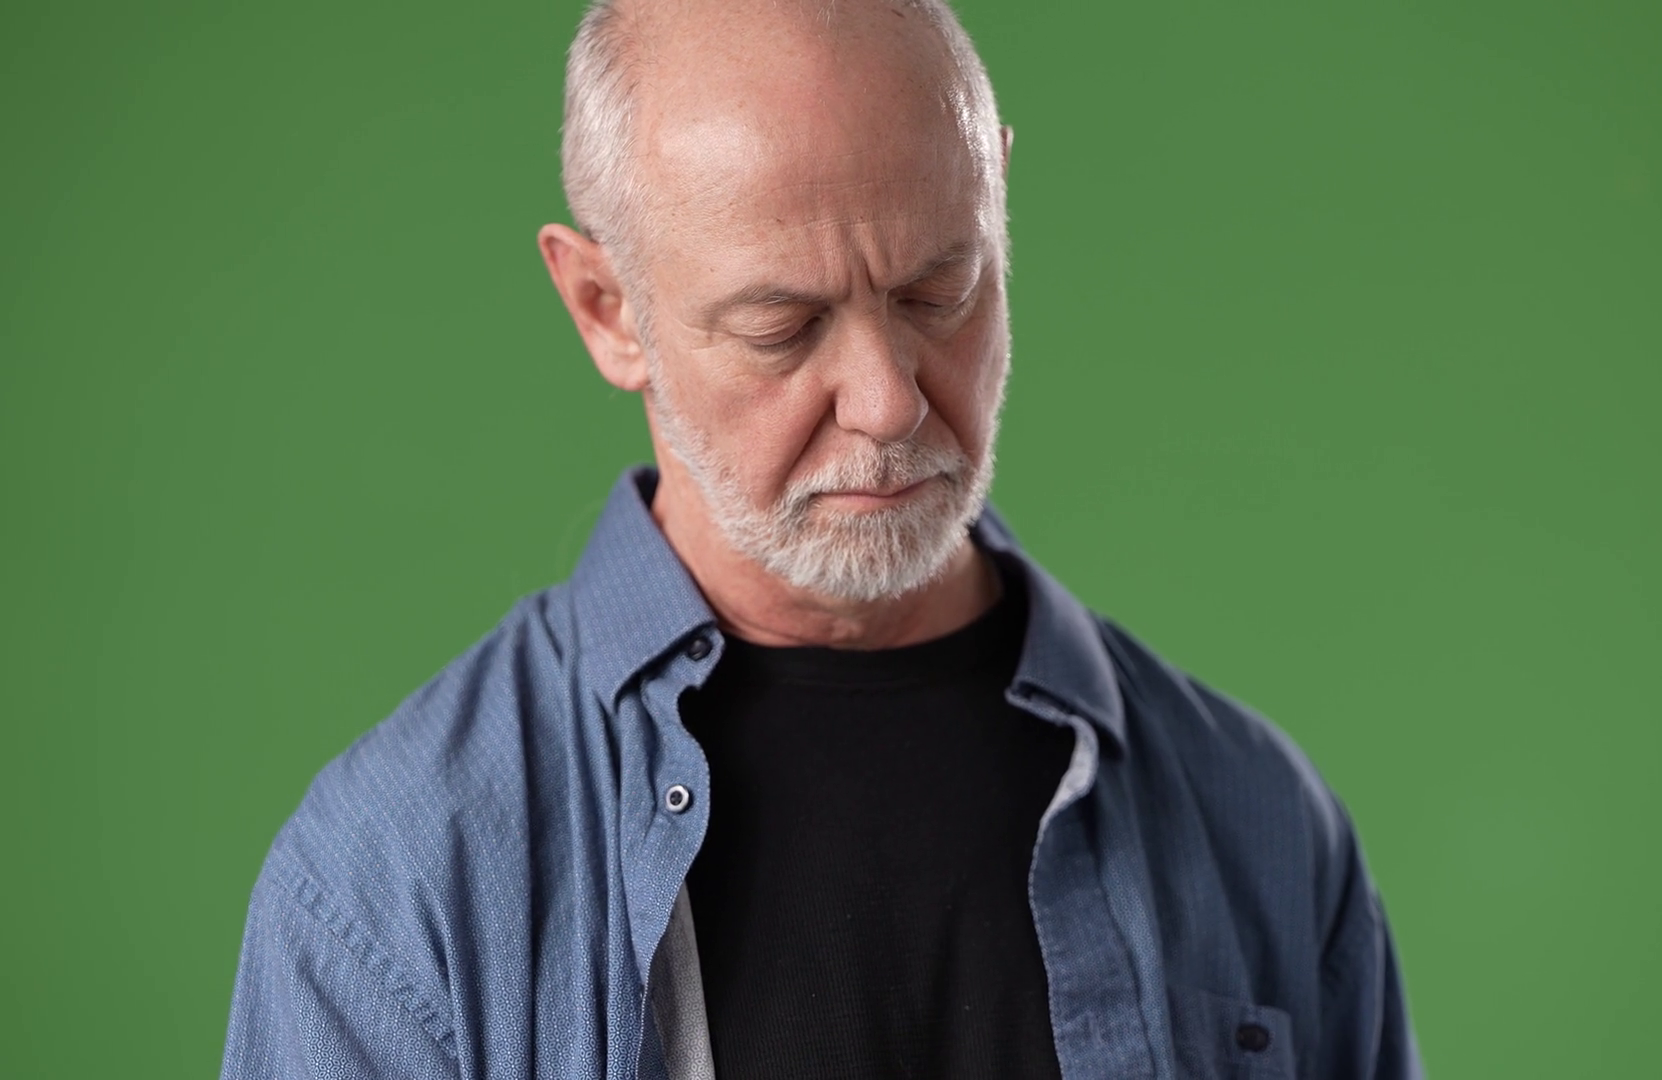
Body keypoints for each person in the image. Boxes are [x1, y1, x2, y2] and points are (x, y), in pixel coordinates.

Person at [220, 0, 1421, 1076]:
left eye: (938, 292)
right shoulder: (389, 889)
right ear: (606, 309)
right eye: (781, 327)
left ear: (996, 199)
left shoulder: (1257, 819)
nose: (889, 401)